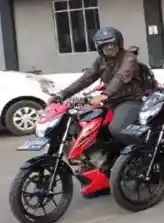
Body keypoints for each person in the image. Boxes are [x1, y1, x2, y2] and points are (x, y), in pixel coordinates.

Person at [52, 27, 154, 196]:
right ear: (99, 47)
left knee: (116, 128)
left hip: (131, 100)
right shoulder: (100, 61)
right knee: (87, 130)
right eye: (105, 45)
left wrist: (105, 95)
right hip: (110, 102)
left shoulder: (129, 58)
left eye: (112, 44)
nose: (109, 47)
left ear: (119, 43)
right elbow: (85, 79)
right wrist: (61, 95)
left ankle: (145, 156)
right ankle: (104, 174)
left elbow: (120, 78)